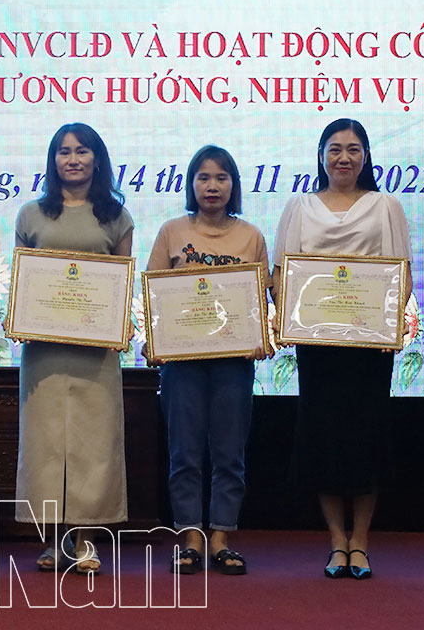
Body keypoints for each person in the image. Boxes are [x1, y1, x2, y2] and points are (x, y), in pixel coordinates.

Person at [272, 118, 412, 581]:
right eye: (334, 149)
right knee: (323, 440)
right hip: (318, 345)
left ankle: (361, 543)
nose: (344, 158)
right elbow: (280, 276)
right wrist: (293, 319)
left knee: (366, 440)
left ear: (366, 156)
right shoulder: (298, 207)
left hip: (368, 347)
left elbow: (403, 275)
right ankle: (337, 541)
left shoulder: (386, 206)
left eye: (353, 149)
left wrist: (383, 324)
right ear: (321, 155)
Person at [13, 122, 133, 574]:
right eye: (63, 152)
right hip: (44, 351)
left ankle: (85, 540)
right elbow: (23, 281)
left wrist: (117, 322)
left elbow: (121, 282)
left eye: (82, 151)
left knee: (93, 445)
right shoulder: (31, 214)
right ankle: (53, 541)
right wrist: (21, 316)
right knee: (45, 446)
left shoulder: (116, 217)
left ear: (96, 159)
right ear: (53, 161)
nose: (73, 159)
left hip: (95, 351)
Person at [146, 145, 270, 576]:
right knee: (184, 453)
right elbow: (155, 294)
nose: (212, 186)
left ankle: (221, 538)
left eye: (221, 177)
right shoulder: (171, 231)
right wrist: (154, 339)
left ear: (233, 185)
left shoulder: (251, 236)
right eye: (203, 177)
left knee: (229, 454)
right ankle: (190, 538)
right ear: (191, 184)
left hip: (233, 361)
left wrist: (261, 334)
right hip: (182, 362)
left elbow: (261, 300)